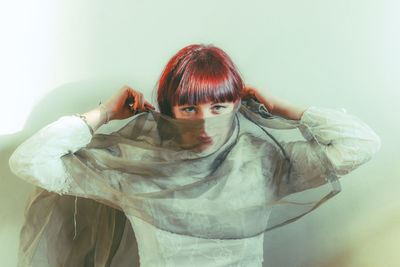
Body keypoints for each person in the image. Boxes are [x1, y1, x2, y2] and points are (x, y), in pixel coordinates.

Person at [9, 44, 381, 266]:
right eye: (189, 109)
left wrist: (282, 108)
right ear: (168, 111)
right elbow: (29, 161)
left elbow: (361, 145)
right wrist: (104, 113)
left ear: (238, 104)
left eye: (219, 107)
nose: (205, 124)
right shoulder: (136, 164)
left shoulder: (265, 161)